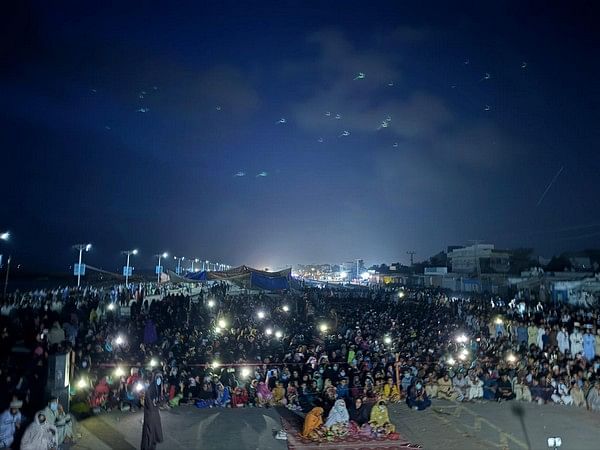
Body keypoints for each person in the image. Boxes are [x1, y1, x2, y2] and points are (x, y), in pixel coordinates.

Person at [141, 373, 164, 450]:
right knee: (149, 433)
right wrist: (154, 406)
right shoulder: (150, 389)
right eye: (158, 379)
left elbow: (159, 402)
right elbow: (149, 403)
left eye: (160, 379)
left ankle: (152, 447)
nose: (159, 381)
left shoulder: (158, 388)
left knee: (154, 433)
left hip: (155, 414)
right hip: (150, 414)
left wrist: (159, 402)